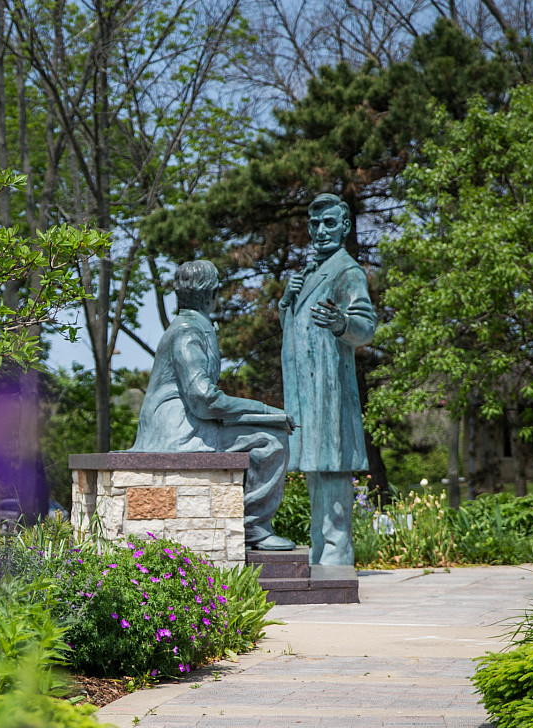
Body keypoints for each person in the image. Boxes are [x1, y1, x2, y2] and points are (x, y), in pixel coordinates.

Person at [129, 259, 295, 550]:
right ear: (210, 295)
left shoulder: (188, 326)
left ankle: (250, 525)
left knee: (268, 431)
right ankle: (253, 527)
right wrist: (268, 412)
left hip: (187, 425)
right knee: (273, 440)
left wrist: (263, 414)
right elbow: (204, 399)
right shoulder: (187, 331)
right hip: (180, 434)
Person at [279, 193, 377, 567]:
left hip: (330, 392)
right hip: (306, 392)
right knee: (315, 470)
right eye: (315, 224)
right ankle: (321, 550)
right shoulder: (308, 274)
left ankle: (337, 554)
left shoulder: (347, 271)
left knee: (332, 469)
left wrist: (343, 324)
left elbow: (365, 327)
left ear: (345, 227)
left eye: (329, 224)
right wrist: (286, 303)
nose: (321, 232)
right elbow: (297, 329)